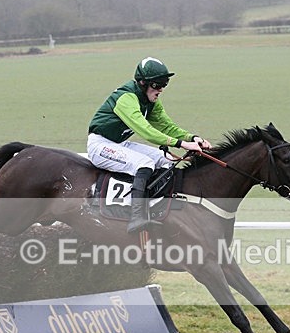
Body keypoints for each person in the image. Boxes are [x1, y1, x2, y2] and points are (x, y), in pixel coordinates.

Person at [87, 57, 211, 233]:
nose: (161, 89)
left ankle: (160, 208)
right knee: (144, 164)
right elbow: (146, 131)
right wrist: (181, 144)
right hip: (99, 146)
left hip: (120, 144)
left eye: (164, 84)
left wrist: (192, 138)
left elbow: (167, 126)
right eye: (157, 84)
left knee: (165, 160)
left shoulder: (151, 101)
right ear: (143, 83)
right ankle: (136, 216)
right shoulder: (126, 98)